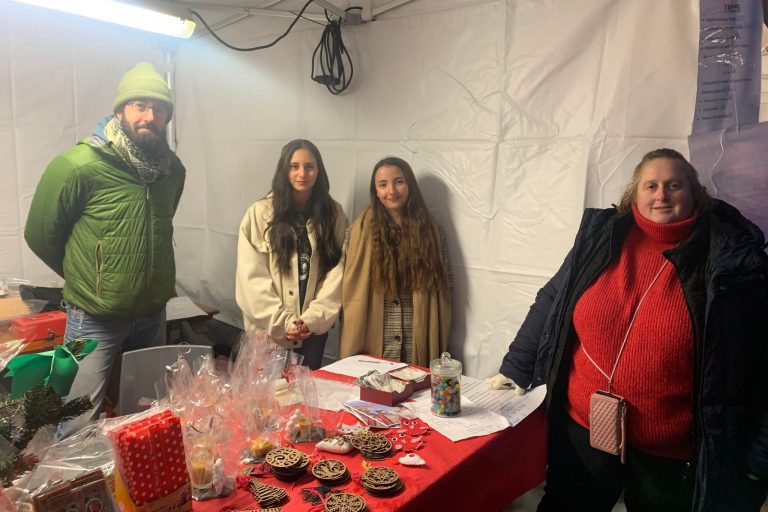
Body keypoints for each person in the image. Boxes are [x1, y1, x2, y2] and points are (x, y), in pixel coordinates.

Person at [486, 148, 768, 511]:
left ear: (696, 193)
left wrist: (759, 456)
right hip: (584, 433)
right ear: (634, 194)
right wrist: (516, 368)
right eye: (651, 185)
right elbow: (553, 300)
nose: (661, 195)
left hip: (671, 456)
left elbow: (761, 361)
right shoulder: (601, 238)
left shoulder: (731, 259)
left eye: (674, 185)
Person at [25, 62, 186, 438]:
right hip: (93, 317)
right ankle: (79, 496)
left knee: (144, 417)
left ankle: (136, 493)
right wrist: (90, 276)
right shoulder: (77, 166)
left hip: (151, 314)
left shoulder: (171, 172)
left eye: (159, 109)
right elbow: (40, 234)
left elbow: (163, 223)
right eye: (139, 106)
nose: (150, 116)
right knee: (79, 422)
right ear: (119, 110)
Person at [236, 139, 347, 370]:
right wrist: (283, 322)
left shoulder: (333, 214)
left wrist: (311, 320)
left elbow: (337, 271)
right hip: (268, 334)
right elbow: (251, 279)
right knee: (267, 401)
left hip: (312, 335)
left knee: (306, 399)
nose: (302, 173)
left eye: (310, 166)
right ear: (283, 169)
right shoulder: (259, 213)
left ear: (319, 170)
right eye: (294, 166)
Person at [340, 157, 451, 366]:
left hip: (416, 333)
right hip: (373, 334)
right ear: (375, 191)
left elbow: (446, 287)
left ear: (410, 184)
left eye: (399, 181)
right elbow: (344, 283)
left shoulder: (432, 231)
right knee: (370, 394)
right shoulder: (358, 231)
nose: (392, 191)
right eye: (383, 185)